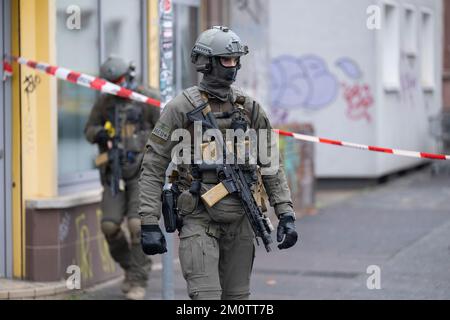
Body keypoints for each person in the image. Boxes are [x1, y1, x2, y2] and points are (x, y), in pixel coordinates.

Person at [139, 26, 298, 300]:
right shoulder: (181, 108)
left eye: (236, 59)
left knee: (237, 300)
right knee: (206, 298)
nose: (233, 66)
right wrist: (148, 222)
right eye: (227, 59)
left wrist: (285, 213)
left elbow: (271, 163)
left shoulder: (249, 108)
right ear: (207, 63)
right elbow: (153, 165)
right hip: (199, 219)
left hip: (241, 222)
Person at [84, 56, 160, 300]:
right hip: (114, 172)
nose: (118, 85)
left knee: (137, 225)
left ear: (129, 74)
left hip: (142, 172)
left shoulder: (147, 98)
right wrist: (100, 133)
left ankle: (138, 280)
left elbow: (166, 129)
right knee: (109, 226)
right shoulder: (105, 102)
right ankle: (131, 267)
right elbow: (89, 130)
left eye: (119, 79)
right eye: (112, 82)